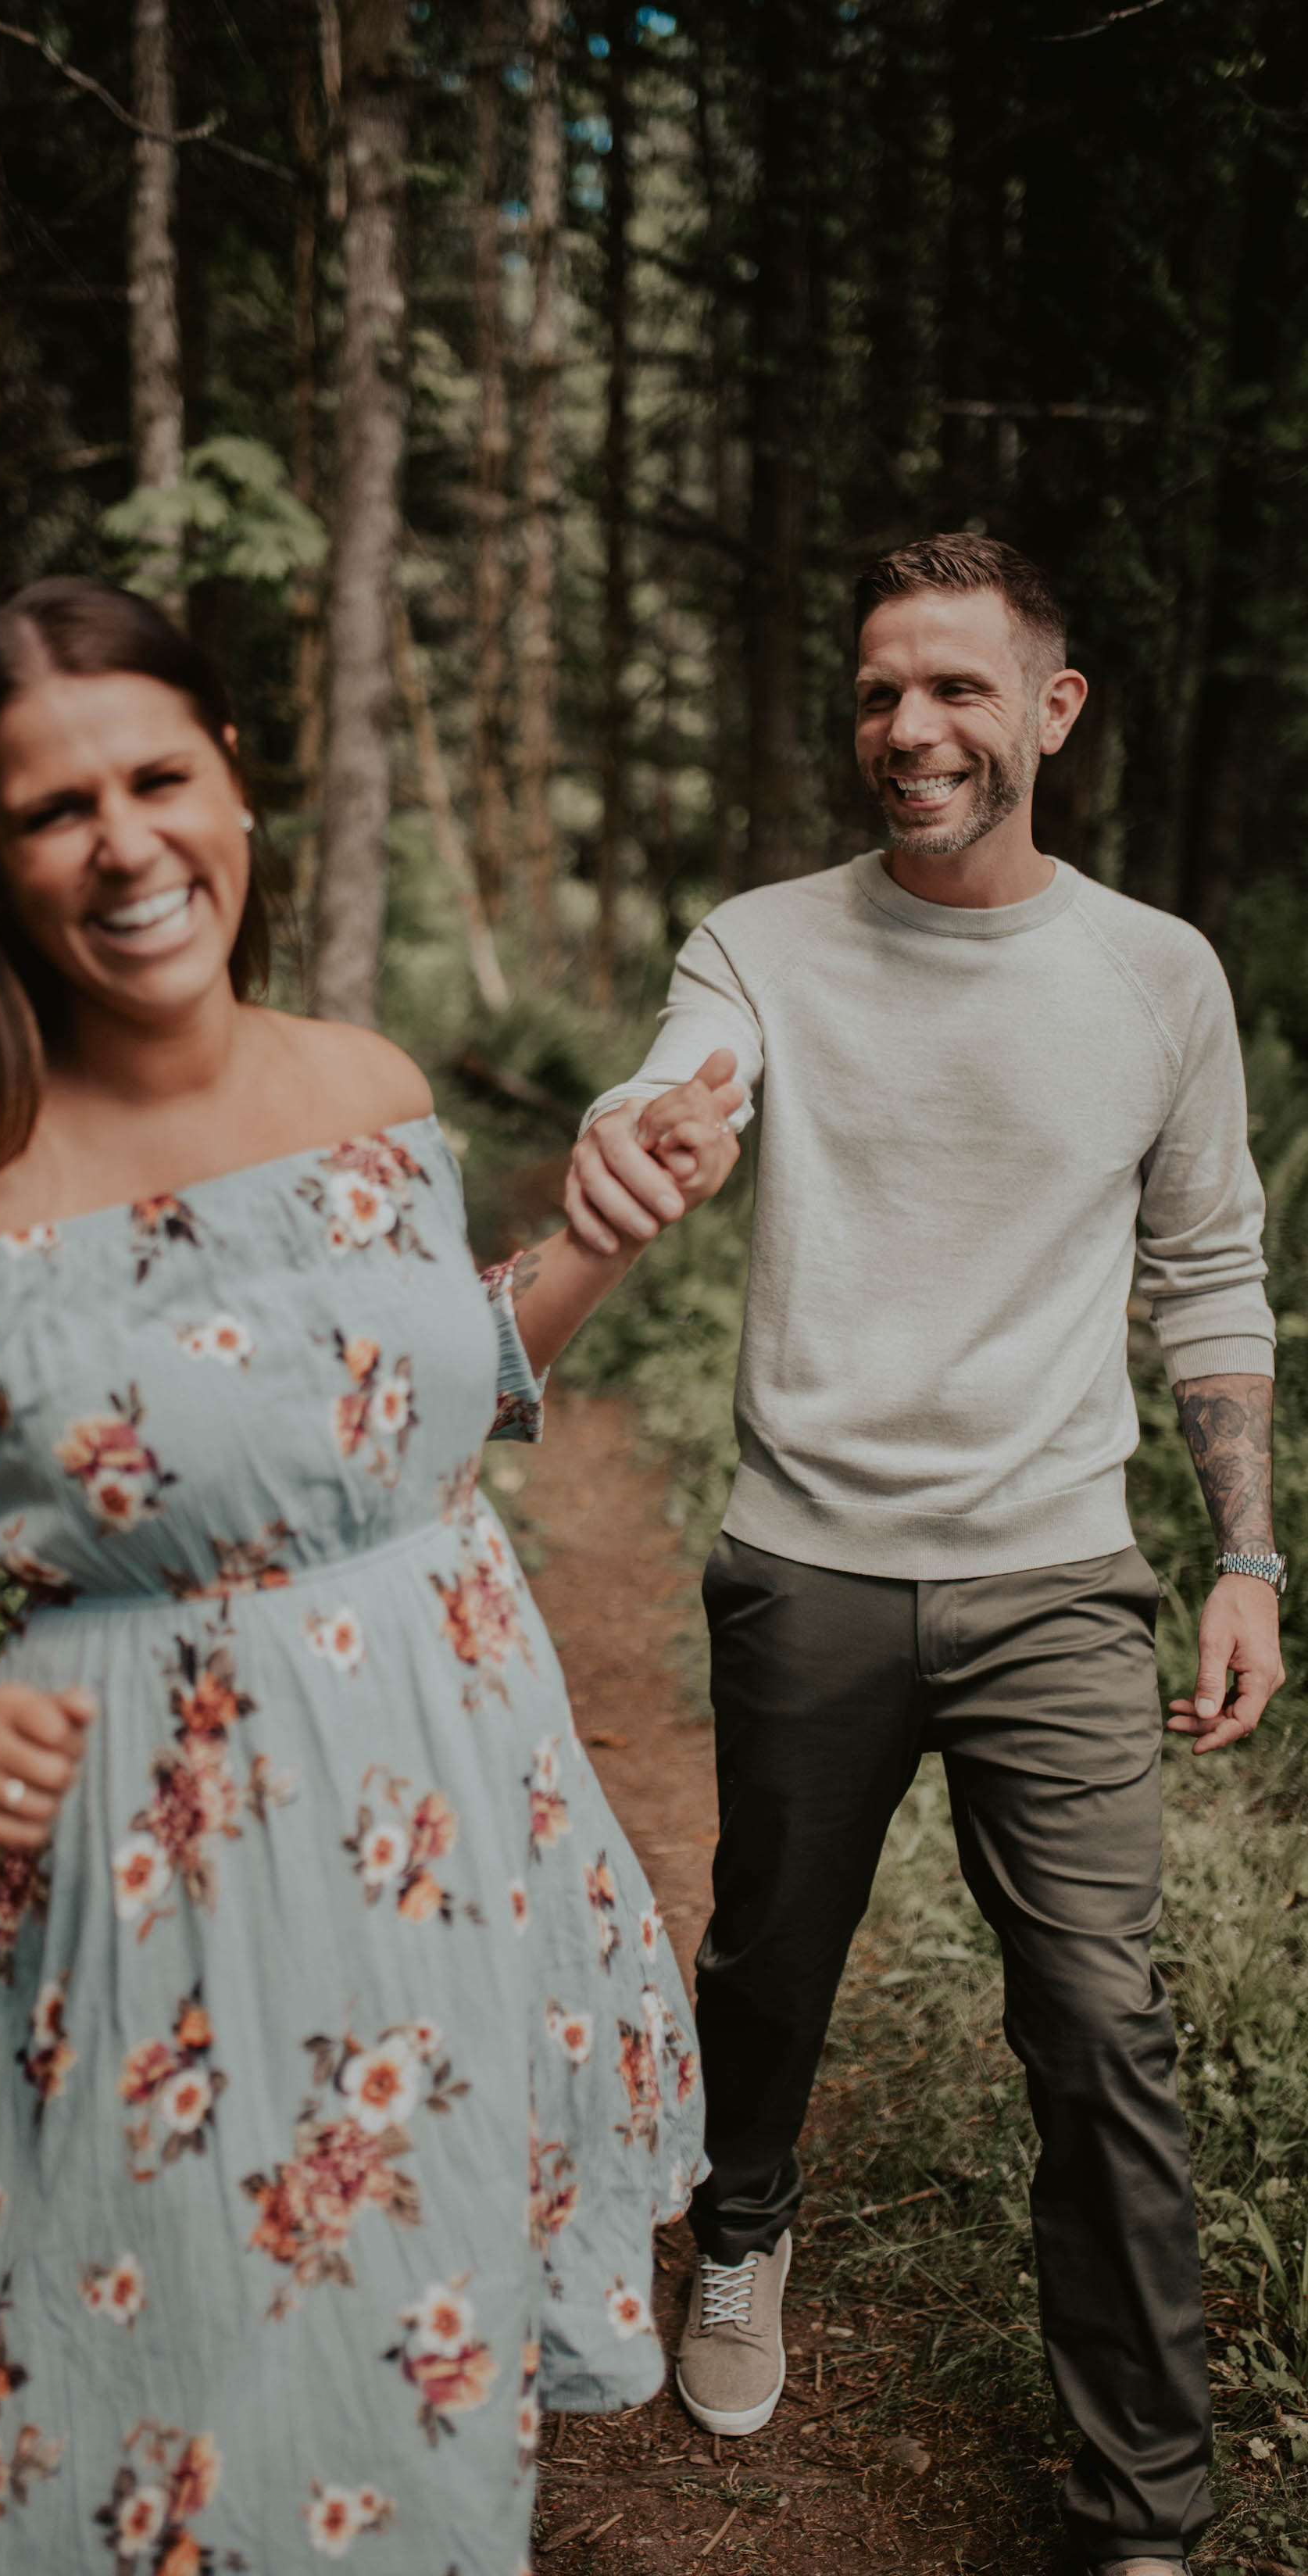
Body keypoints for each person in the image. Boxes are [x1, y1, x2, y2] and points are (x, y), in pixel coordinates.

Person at [0, 576, 738, 2574]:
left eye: (156, 775)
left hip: (458, 1825)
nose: (121, 840)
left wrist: (604, 1237)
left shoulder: (366, 1094)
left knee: (422, 2355)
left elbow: (418, 1405)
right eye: (52, 808)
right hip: (165, 1877)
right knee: (176, 2383)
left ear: (236, 793)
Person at [565, 534, 1285, 2576]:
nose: (911, 727)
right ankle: (751, 2222)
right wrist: (638, 1138)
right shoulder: (766, 943)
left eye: (958, 689)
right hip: (806, 1561)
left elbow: (1210, 1270)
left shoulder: (1160, 976)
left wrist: (1248, 1559)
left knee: (1101, 2013)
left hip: (1060, 1576)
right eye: (883, 690)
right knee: (771, 1955)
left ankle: (1141, 2506)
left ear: (1052, 710)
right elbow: (676, 1090)